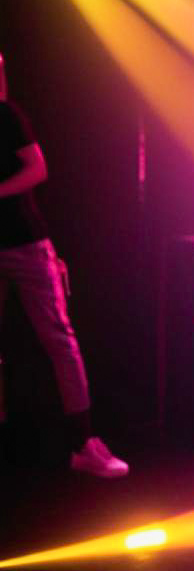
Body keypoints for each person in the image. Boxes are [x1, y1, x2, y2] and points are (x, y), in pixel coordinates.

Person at [0, 52, 128, 478]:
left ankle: (83, 442)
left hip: (25, 243)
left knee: (59, 339)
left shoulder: (7, 115)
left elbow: (37, 168)